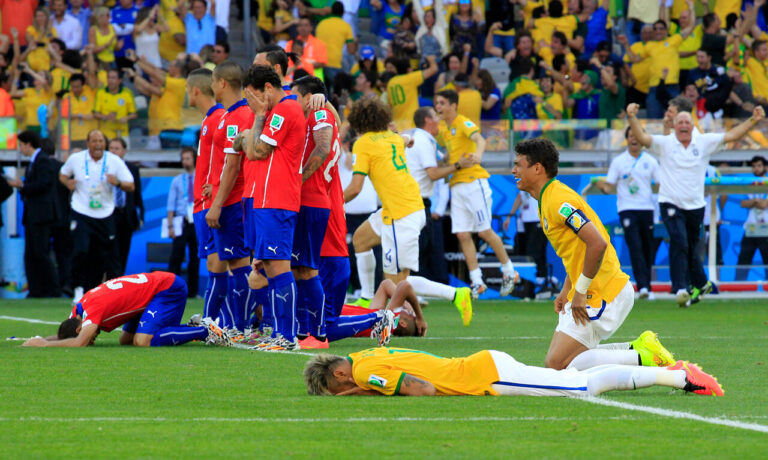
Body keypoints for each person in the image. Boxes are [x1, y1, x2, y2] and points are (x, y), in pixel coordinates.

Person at [511, 137, 676, 371]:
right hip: (590, 289)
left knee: (557, 365)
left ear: (537, 168)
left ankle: (643, 356)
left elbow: (597, 244)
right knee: (563, 366)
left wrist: (579, 291)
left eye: (518, 164)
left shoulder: (559, 201)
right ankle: (639, 350)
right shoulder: (548, 198)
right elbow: (575, 251)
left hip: (604, 290)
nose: (513, 170)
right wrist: (567, 289)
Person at [627, 103, 766, 307]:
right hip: (670, 203)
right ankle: (683, 288)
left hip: (695, 207)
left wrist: (753, 120)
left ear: (693, 126)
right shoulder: (665, 143)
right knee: (680, 242)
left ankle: (701, 283)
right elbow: (643, 138)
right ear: (674, 126)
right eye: (680, 122)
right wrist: (632, 117)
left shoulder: (703, 142)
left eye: (687, 122)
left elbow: (732, 136)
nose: (683, 125)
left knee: (691, 248)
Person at [303, 347, 724, 397]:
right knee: (568, 372)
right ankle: (639, 352)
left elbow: (424, 390)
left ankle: (677, 375)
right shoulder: (366, 355)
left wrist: (364, 394)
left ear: (338, 378)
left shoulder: (363, 373)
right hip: (485, 365)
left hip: (484, 376)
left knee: (579, 386)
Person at [239, 64, 306, 351]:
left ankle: (287, 337)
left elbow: (257, 151)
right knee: (268, 264)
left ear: (267, 88)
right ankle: (279, 333)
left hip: (278, 199)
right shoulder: (276, 112)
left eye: (252, 97)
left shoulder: (285, 110)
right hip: (267, 200)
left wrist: (256, 118)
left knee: (279, 266)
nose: (251, 103)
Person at [434, 89, 518, 298]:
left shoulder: (463, 122)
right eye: (437, 103)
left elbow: (480, 140)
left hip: (474, 182)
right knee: (463, 234)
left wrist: (478, 155)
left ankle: (509, 271)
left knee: (484, 231)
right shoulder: (446, 130)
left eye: (442, 103)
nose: (439, 107)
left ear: (453, 105)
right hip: (457, 185)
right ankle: (477, 281)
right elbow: (450, 155)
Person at [343, 98, 426, 292]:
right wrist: (409, 139)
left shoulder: (363, 144)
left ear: (358, 121)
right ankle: (366, 296)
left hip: (401, 215)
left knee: (395, 286)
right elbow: (405, 138)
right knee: (361, 239)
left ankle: (454, 293)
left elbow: (355, 188)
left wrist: (330, 204)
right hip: (403, 206)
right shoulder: (392, 136)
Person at [21, 272, 231, 348]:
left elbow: (78, 342)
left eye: (92, 337)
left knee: (142, 341)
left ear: (80, 328)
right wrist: (43, 339)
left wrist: (43, 346)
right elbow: (67, 334)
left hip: (168, 289)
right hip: (153, 292)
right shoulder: (79, 309)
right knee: (125, 340)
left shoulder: (91, 310)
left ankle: (208, 330)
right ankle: (191, 327)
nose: (93, 339)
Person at [406, 106, 473, 323]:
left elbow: (437, 163)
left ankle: (407, 296)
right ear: (427, 120)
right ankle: (409, 296)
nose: (439, 121)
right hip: (414, 203)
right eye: (435, 117)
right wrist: (457, 165)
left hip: (415, 202)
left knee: (417, 252)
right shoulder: (423, 140)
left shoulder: (422, 139)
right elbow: (433, 173)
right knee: (415, 254)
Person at [59, 130, 135, 303]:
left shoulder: (114, 161)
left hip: (105, 213)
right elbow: (63, 174)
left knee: (104, 256)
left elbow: (131, 185)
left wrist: (117, 183)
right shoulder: (76, 159)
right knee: (81, 249)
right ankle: (77, 288)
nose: (98, 144)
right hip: (81, 210)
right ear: (88, 143)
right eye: (94, 141)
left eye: (101, 141)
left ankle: (98, 291)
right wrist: (67, 182)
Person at [205, 61, 253, 332]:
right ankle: (240, 323)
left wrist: (217, 204)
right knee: (238, 264)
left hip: (234, 201)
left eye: (214, 81)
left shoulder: (237, 117)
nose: (212, 86)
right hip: (232, 197)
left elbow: (233, 165)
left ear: (222, 83)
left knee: (238, 264)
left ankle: (241, 325)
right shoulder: (231, 114)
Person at [595, 128, 659, 299]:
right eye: (631, 136)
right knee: (635, 246)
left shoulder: (651, 161)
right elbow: (609, 186)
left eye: (637, 136)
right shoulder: (619, 161)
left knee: (648, 248)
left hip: (647, 209)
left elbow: (661, 184)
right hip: (627, 209)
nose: (634, 139)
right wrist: (601, 186)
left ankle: (647, 285)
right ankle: (644, 287)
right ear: (627, 139)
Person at [185, 68, 227, 324]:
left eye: (187, 90)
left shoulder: (220, 118)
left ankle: (216, 320)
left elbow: (232, 159)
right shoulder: (209, 119)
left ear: (195, 90)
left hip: (213, 203)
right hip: (203, 203)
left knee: (219, 264)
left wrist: (219, 187)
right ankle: (216, 318)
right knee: (214, 265)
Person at [9, 131, 59, 298]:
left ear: (28, 144)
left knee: (40, 253)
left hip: (41, 216)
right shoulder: (34, 161)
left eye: (21, 145)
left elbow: (44, 185)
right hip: (32, 215)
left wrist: (22, 186)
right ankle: (36, 290)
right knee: (31, 253)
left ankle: (52, 289)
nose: (20, 149)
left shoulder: (42, 160)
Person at [108, 137, 143, 276]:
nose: (114, 151)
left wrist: (141, 215)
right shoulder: (104, 167)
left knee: (123, 250)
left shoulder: (132, 169)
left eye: (117, 148)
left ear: (124, 151)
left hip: (126, 215)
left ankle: (119, 283)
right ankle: (108, 282)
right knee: (110, 251)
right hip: (108, 214)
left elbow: (137, 194)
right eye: (111, 148)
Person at [167, 148, 199, 297]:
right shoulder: (177, 180)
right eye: (183, 158)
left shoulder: (201, 176)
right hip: (181, 221)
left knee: (195, 257)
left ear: (194, 159)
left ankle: (192, 291)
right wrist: (170, 225)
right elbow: (171, 205)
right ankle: (172, 289)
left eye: (188, 158)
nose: (185, 161)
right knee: (176, 256)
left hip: (197, 221)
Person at [503, 190, 548, 286]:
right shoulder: (523, 183)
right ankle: (527, 279)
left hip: (538, 219)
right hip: (525, 220)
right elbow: (520, 197)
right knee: (523, 250)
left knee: (536, 250)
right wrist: (509, 217)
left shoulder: (540, 181)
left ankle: (540, 278)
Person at [736, 155, 768, 281]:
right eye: (754, 166)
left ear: (765, 167)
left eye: (759, 166)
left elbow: (765, 204)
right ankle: (736, 288)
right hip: (751, 228)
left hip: (766, 228)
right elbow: (743, 203)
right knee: (743, 260)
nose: (756, 169)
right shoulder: (748, 183)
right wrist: (757, 201)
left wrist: (754, 202)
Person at [386, 55, 438, 131]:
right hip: (411, 125)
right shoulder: (411, 78)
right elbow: (434, 69)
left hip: (396, 126)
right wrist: (431, 60)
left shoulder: (390, 82)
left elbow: (390, 105)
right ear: (408, 69)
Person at [93, 69, 137, 141]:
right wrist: (106, 117)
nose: (110, 80)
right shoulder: (101, 92)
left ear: (120, 80)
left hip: (123, 133)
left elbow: (134, 114)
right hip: (106, 134)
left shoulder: (127, 93)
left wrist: (126, 118)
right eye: (109, 77)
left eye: (113, 78)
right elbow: (95, 113)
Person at [111, 0, 139, 69]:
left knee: (134, 75)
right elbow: (113, 29)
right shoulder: (114, 11)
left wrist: (122, 27)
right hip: (119, 51)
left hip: (134, 50)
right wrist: (131, 27)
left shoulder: (138, 11)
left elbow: (139, 28)